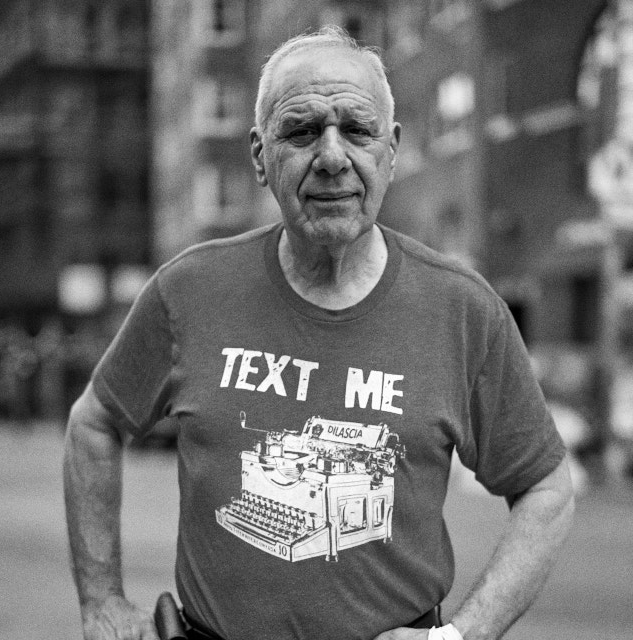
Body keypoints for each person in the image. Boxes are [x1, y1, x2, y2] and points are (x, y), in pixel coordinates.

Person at [63, 26, 575, 640]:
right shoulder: (189, 289)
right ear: (259, 156)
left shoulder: (463, 309)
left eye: (356, 130)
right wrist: (100, 601)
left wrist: (462, 635)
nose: (332, 158)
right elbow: (94, 423)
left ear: (392, 148)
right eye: (302, 131)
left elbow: (546, 485)